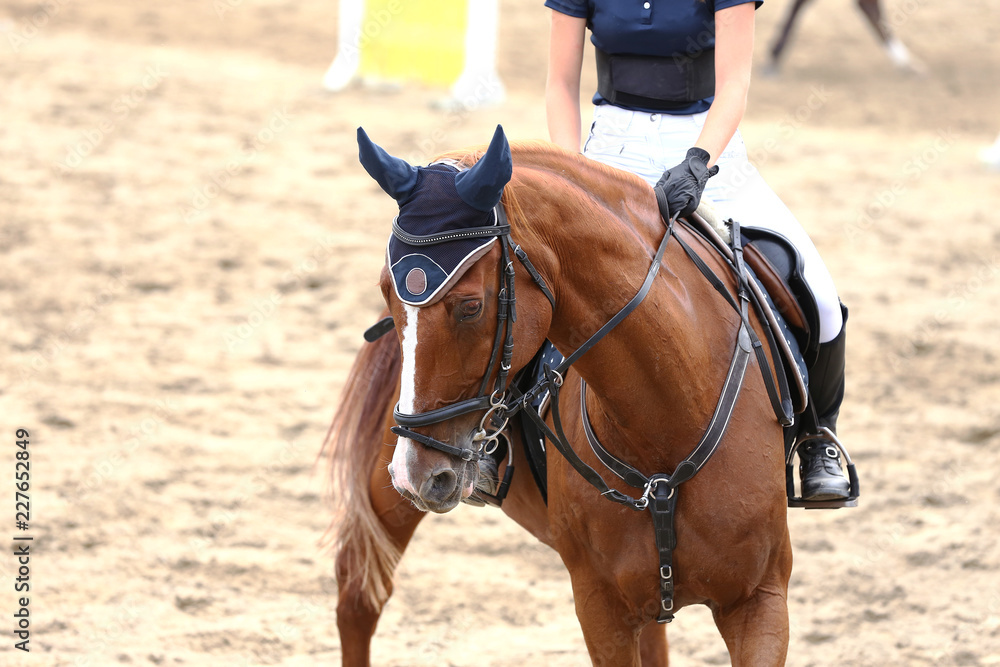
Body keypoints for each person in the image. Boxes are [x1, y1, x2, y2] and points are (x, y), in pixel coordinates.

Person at [544, 0, 851, 502]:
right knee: (540, 271)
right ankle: (498, 439)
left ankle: (818, 439)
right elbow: (559, 83)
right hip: (612, 148)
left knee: (818, 294)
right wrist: (569, 167)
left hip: (706, 146)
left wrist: (698, 162)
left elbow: (733, 84)